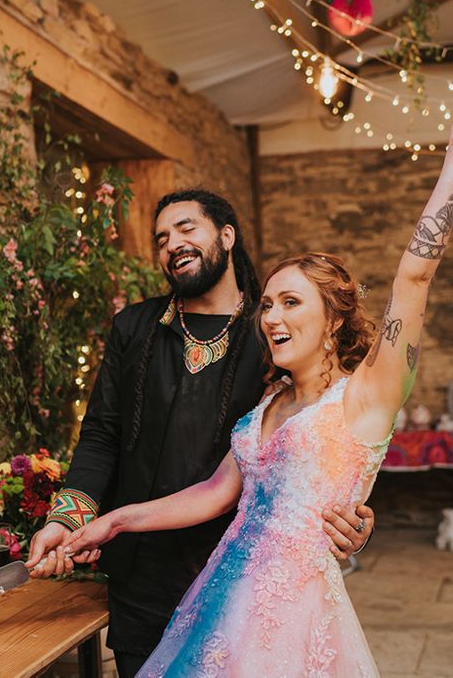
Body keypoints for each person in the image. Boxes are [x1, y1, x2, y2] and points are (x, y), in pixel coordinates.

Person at [62, 128, 453, 676]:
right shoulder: (269, 400)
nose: (271, 316)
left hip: (292, 621)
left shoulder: (368, 393)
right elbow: (215, 491)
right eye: (267, 304)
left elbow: (414, 275)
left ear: (333, 317)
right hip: (219, 602)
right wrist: (114, 521)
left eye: (291, 302)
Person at [25, 190, 374, 677]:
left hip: (237, 585)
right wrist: (69, 518)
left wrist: (352, 514)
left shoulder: (274, 333)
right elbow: (102, 434)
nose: (172, 243)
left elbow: (324, 429)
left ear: (227, 236)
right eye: (162, 238)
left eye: (187, 228)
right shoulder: (134, 327)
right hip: (144, 575)